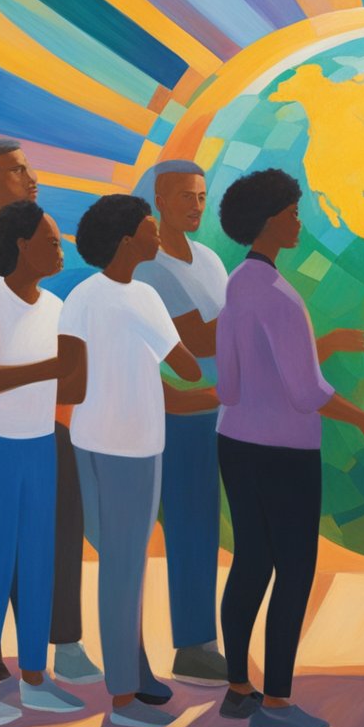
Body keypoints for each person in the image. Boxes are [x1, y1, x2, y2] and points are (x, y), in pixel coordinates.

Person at [215, 169, 364, 727]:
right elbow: (307, 393)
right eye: (291, 212)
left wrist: (313, 353)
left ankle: (239, 690)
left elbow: (230, 384)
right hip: (285, 455)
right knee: (293, 572)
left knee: (250, 562)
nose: (298, 220)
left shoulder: (238, 284)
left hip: (235, 442)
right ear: (269, 221)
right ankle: (278, 703)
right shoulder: (283, 298)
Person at [0, 138, 99, 684]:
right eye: (18, 170)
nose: (33, 179)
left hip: (43, 429)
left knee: (47, 546)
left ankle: (56, 650)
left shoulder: (54, 299)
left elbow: (70, 374)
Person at [60, 194, 203, 727]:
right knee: (124, 568)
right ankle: (123, 699)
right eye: (149, 226)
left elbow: (71, 374)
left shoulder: (80, 295)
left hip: (88, 441)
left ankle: (135, 671)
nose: (157, 232)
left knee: (117, 563)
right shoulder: (143, 296)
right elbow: (188, 368)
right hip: (134, 448)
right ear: (126, 241)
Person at [132, 160, 228, 686]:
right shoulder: (151, 268)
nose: (196, 205)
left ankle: (199, 641)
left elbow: (223, 332)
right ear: (160, 200)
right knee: (187, 524)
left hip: (218, 407)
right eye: (186, 196)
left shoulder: (209, 259)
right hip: (175, 412)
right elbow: (199, 339)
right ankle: (191, 647)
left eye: (201, 196)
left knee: (204, 523)